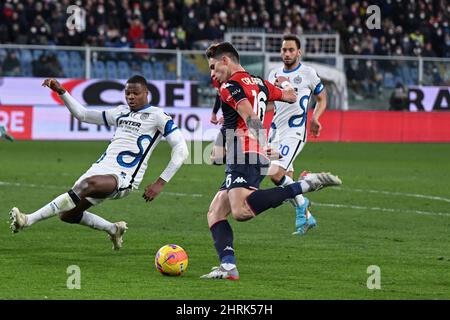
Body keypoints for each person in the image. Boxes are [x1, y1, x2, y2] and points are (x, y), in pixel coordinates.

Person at [201, 42, 342, 280]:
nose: (213, 74)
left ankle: (304, 185)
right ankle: (228, 267)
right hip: (244, 152)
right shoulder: (260, 83)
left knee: (241, 211)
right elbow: (290, 96)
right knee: (215, 212)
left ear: (226, 61)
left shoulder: (230, 87)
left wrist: (263, 144)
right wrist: (284, 84)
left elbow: (251, 115)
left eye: (214, 67)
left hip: (245, 152)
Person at [9, 75, 189, 250]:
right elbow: (84, 115)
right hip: (99, 168)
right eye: (127, 94)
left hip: (124, 178)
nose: (131, 97)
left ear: (146, 93)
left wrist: (160, 182)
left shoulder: (158, 116)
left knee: (88, 185)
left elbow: (181, 150)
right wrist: (62, 92)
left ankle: (27, 220)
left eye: (136, 93)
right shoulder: (120, 112)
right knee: (67, 214)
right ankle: (113, 229)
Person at [266, 34, 327, 235]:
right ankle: (307, 219)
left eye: (291, 50)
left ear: (298, 52)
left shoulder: (308, 73)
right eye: (284, 50)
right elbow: (269, 103)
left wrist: (315, 118)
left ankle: (305, 199)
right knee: (286, 188)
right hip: (274, 132)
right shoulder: (274, 74)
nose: (287, 53)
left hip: (294, 132)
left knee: (275, 174)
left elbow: (322, 98)